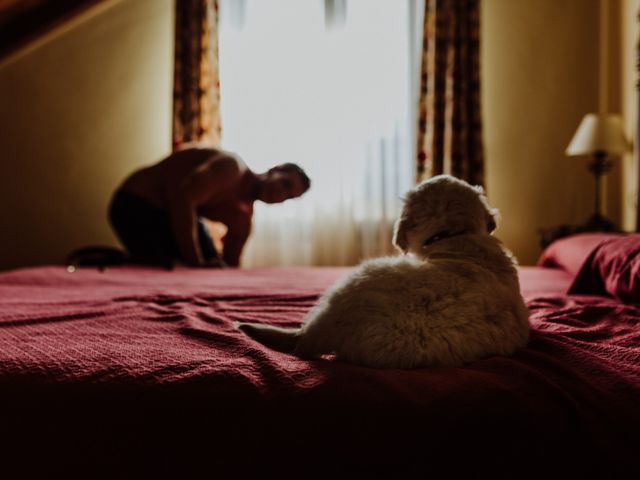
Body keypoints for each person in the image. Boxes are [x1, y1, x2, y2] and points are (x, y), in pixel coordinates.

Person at [108, 144, 310, 267]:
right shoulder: (231, 169)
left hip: (170, 215)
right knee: (176, 265)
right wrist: (194, 263)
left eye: (288, 196)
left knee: (214, 265)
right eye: (285, 184)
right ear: (273, 170)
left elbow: (229, 269)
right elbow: (182, 199)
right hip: (134, 203)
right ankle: (108, 261)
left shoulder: (243, 219)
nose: (280, 194)